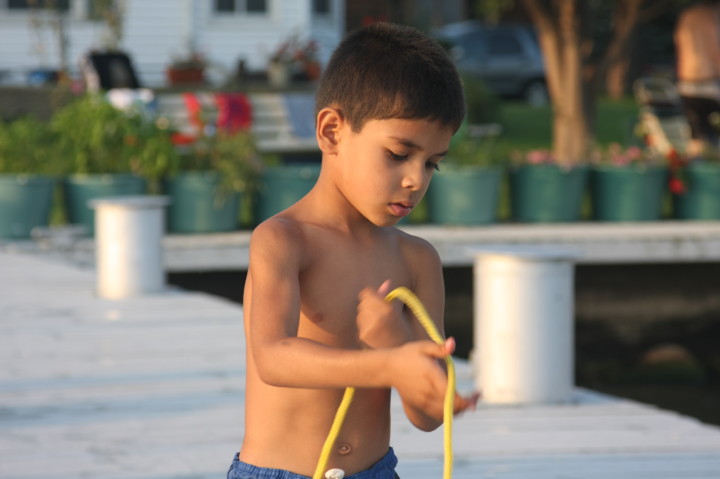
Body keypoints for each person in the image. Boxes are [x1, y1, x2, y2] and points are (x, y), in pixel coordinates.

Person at [228, 22, 479, 479]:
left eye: (432, 164)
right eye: (398, 154)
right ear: (332, 132)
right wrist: (386, 363)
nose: (415, 180)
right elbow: (273, 357)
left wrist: (399, 347)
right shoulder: (284, 239)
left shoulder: (416, 260)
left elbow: (428, 417)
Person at [674, 0, 720, 155]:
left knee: (697, 134)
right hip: (708, 84)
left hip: (686, 83)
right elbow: (715, 50)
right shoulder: (712, 17)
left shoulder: (686, 17)